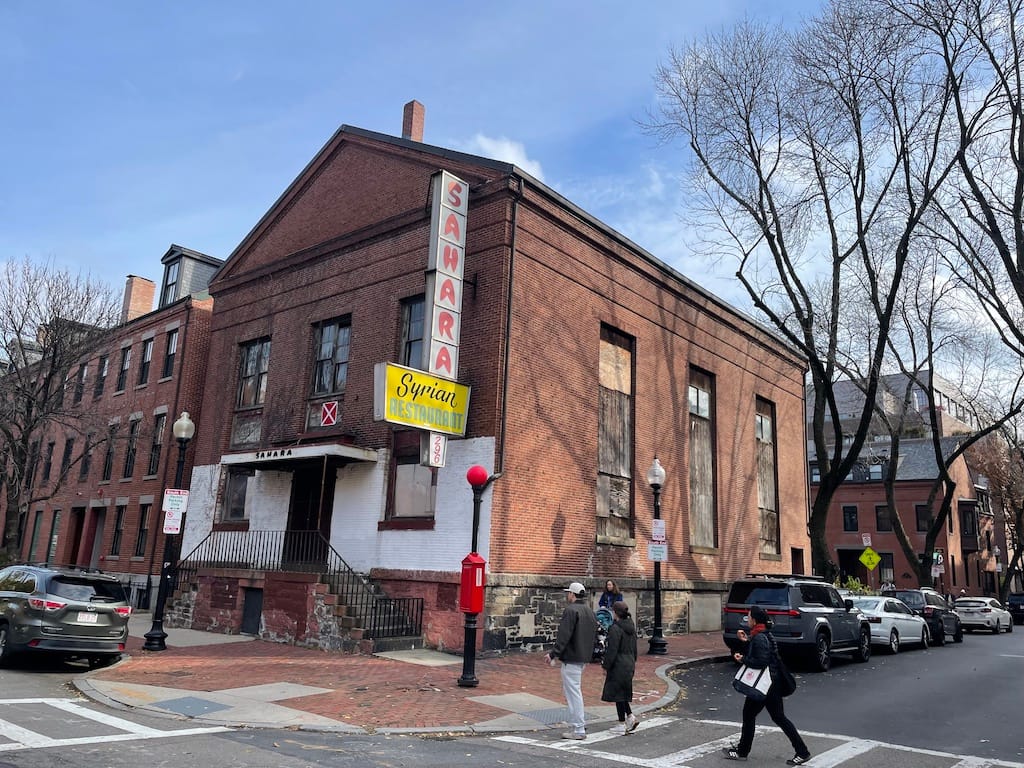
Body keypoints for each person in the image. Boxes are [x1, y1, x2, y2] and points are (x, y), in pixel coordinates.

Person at [724, 606, 811, 765]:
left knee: (753, 715)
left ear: (755, 620)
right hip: (772, 683)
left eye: (749, 617)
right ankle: (802, 751)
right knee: (775, 717)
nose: (747, 619)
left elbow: (760, 661)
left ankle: (743, 751)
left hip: (766, 685)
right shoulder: (762, 634)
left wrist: (742, 659)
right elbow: (763, 652)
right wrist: (746, 641)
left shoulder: (759, 637)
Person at [546, 581, 598, 740]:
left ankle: (578, 728)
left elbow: (564, 635)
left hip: (572, 657)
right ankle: (578, 725)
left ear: (573, 594)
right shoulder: (589, 611)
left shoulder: (571, 611)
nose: (567, 595)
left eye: (568, 593)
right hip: (583, 657)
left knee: (573, 693)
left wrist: (553, 654)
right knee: (575, 691)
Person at [602, 601, 639, 735]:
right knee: (622, 692)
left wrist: (606, 666)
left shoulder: (615, 628)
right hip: (629, 662)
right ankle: (630, 717)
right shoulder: (631, 626)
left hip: (618, 663)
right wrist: (633, 660)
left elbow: (612, 650)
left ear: (616, 613)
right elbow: (635, 648)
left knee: (618, 694)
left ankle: (621, 723)